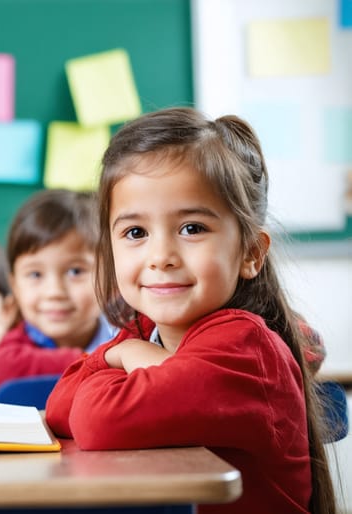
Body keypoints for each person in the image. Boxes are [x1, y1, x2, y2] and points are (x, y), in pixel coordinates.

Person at [45, 107, 335, 514]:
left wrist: (118, 361)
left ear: (250, 253)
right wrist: (124, 352)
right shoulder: (145, 330)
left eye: (192, 228)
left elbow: (96, 419)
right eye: (135, 232)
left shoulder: (245, 348)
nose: (160, 256)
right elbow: (59, 407)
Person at [0, 189, 116, 387]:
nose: (54, 292)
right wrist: (106, 359)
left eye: (75, 271)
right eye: (35, 274)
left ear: (112, 280)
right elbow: (5, 368)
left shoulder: (127, 333)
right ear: (15, 285)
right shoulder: (14, 350)